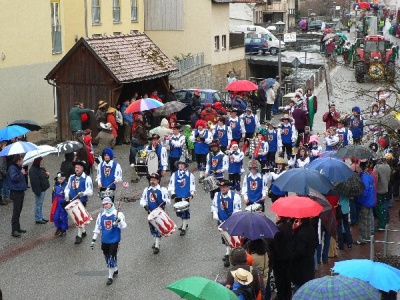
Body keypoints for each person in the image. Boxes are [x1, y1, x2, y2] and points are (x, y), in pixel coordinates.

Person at [91, 197, 127, 285]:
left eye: (107, 204)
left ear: (111, 204)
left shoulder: (118, 214)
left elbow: (124, 226)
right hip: (105, 240)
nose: (105, 206)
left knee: (111, 256)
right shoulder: (101, 215)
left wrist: (119, 221)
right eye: (104, 204)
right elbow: (98, 228)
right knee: (107, 256)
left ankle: (110, 277)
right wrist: (93, 240)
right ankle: (115, 268)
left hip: (114, 239)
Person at [211, 180, 241, 266]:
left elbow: (237, 210)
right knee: (224, 237)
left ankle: (233, 255)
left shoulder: (235, 196)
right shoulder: (217, 195)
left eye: (224, 187)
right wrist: (215, 213)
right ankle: (228, 253)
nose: (222, 189)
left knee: (232, 239)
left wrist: (231, 220)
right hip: (221, 221)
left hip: (232, 221)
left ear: (228, 187)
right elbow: (214, 206)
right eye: (221, 187)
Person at [139, 173, 170, 254]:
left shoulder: (162, 190)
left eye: (154, 180)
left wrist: (164, 203)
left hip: (160, 213)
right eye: (151, 180)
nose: (152, 181)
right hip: (150, 213)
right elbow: (142, 200)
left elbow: (168, 200)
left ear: (158, 180)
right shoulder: (147, 190)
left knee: (158, 229)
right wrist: (145, 205)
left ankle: (157, 245)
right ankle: (156, 241)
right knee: (152, 228)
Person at [64, 160, 94, 244]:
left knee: (78, 218)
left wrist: (83, 193)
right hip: (72, 201)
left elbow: (90, 191)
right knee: (76, 217)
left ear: (82, 168)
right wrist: (66, 195)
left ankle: (79, 235)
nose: (76, 169)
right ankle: (83, 231)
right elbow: (67, 188)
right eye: (75, 167)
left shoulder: (87, 178)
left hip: (81, 202)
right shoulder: (71, 177)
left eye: (78, 167)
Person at [168, 160, 196, 236]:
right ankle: (184, 223)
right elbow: (171, 184)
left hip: (185, 195)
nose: (181, 166)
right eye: (179, 164)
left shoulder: (190, 175)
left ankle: (184, 227)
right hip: (177, 195)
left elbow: (192, 185)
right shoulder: (174, 174)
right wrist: (173, 193)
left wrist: (192, 193)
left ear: (185, 166)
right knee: (179, 212)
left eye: (182, 164)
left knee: (185, 212)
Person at [291, 217, 318, 292]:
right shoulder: (311, 229)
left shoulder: (301, 232)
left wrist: (292, 257)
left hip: (301, 266)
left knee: (299, 287)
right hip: (309, 262)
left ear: (300, 219)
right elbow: (316, 242)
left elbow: (300, 251)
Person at [354, 161, 376, 245]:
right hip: (371, 200)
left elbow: (365, 189)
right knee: (368, 219)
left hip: (365, 201)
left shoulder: (364, 177)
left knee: (363, 220)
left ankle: (363, 238)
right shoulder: (370, 176)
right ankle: (368, 236)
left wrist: (361, 200)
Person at [273, 216, 293, 300]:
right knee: (287, 278)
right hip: (288, 257)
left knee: (280, 279)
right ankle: (288, 295)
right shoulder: (290, 226)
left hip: (279, 259)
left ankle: (281, 296)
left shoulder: (277, 229)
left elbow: (275, 246)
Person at [9, 155, 28, 237]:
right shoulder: (12, 168)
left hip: (20, 191)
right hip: (15, 192)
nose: (22, 162)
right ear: (18, 161)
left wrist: (23, 171)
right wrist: (21, 173)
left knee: (19, 210)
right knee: (16, 211)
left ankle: (18, 227)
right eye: (21, 160)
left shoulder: (18, 167)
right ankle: (14, 230)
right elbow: (14, 178)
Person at [29, 157, 50, 224]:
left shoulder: (41, 168)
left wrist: (47, 175)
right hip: (39, 190)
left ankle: (40, 216)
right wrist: (37, 191)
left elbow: (43, 177)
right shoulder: (33, 170)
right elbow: (34, 182)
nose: (42, 162)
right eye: (41, 161)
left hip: (43, 189)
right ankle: (38, 218)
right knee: (38, 204)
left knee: (40, 204)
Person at [373, 158, 391, 230]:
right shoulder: (388, 166)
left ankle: (381, 224)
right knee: (384, 205)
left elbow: (375, 179)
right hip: (385, 189)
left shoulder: (377, 167)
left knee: (379, 207)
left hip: (379, 190)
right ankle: (385, 220)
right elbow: (388, 178)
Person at [50, 172, 68, 237]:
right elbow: (53, 194)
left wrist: (67, 202)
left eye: (61, 179)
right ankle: (59, 227)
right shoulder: (55, 185)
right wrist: (53, 201)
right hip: (56, 201)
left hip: (63, 202)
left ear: (64, 178)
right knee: (55, 216)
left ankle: (64, 229)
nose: (59, 180)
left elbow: (68, 195)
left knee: (63, 216)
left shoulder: (66, 185)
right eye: (59, 179)